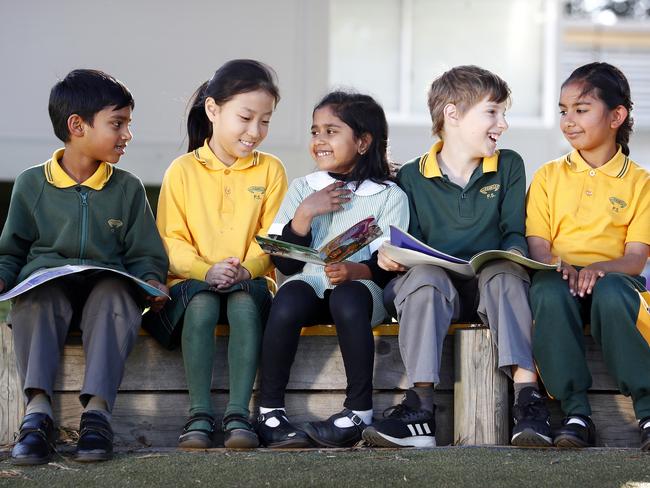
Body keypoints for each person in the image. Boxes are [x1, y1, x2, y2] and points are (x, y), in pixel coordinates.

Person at [363, 65, 552, 448]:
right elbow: (406, 241)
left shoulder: (509, 164)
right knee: (424, 278)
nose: (503, 124)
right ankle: (420, 409)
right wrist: (389, 256)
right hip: (435, 293)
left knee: (503, 270)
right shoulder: (412, 176)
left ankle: (529, 403)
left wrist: (515, 252)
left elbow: (513, 231)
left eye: (504, 113)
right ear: (452, 114)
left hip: (492, 292)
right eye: (492, 112)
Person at [0, 69, 169, 464]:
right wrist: (4, 275)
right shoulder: (30, 184)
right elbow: (12, 250)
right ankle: (37, 414)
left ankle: (96, 415)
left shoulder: (127, 188)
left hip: (105, 296)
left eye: (128, 124)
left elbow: (146, 253)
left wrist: (150, 281)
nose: (127, 134)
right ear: (77, 126)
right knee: (38, 293)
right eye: (118, 124)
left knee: (115, 292)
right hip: (48, 290)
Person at [144, 59, 287, 449]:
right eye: (245, 117)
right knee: (203, 305)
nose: (255, 131)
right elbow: (170, 242)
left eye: (265, 121)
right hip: (192, 286)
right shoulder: (182, 170)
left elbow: (270, 241)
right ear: (212, 110)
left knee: (242, 304)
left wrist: (247, 270)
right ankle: (198, 416)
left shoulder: (271, 171)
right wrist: (206, 270)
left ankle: (240, 415)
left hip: (250, 284)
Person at [256, 91, 409, 448]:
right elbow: (286, 262)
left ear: (363, 141)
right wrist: (306, 214)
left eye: (330, 131)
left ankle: (358, 412)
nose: (319, 141)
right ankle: (269, 412)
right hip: (309, 284)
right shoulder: (303, 189)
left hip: (361, 292)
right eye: (314, 132)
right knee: (289, 297)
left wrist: (356, 272)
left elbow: (388, 265)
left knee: (348, 297)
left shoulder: (389, 195)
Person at [526, 62, 650, 449]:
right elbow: (539, 246)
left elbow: (635, 259)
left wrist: (597, 269)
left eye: (581, 109)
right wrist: (560, 266)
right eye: (564, 111)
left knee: (614, 294)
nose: (568, 120)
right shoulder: (547, 176)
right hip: (559, 278)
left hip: (616, 281)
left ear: (616, 116)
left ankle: (647, 411)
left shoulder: (640, 182)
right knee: (546, 292)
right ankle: (576, 412)